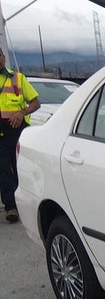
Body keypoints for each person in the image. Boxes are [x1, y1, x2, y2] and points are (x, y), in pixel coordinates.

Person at [0, 48, 40, 223]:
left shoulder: (17, 78)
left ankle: (24, 203)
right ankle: (11, 207)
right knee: (3, 170)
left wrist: (22, 112)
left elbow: (36, 103)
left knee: (20, 168)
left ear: (3, 57)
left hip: (16, 131)